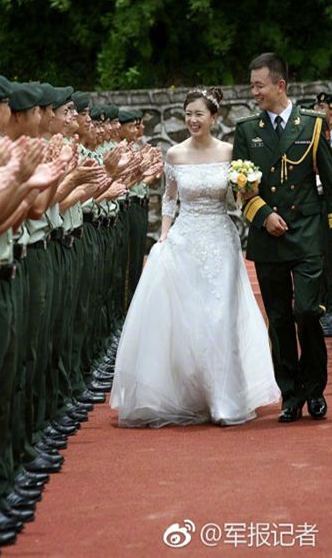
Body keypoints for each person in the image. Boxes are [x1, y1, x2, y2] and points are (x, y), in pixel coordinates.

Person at [109, 86, 280, 427]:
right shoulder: (174, 155)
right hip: (186, 240)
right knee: (190, 318)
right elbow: (169, 200)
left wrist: (247, 190)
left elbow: (236, 201)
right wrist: (164, 237)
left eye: (199, 114)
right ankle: (192, 392)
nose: (192, 120)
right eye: (188, 114)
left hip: (221, 239)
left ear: (214, 118)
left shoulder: (231, 153)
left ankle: (224, 398)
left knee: (221, 316)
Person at [233, 53, 332, 422]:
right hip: (269, 238)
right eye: (252, 86)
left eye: (259, 86)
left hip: (308, 233)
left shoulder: (313, 125)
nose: (254, 93)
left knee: (307, 312)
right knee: (280, 318)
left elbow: (331, 186)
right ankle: (291, 392)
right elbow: (241, 190)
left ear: (279, 85)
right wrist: (264, 216)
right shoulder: (248, 130)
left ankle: (315, 389)